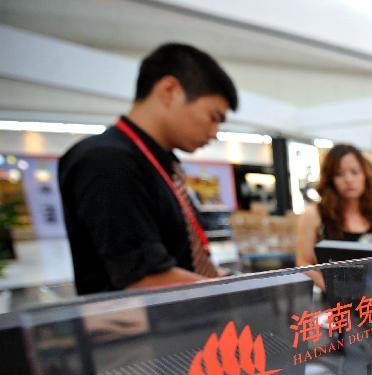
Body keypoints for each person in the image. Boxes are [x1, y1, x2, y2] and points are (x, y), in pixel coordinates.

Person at [59, 43, 238, 295]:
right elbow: (144, 278)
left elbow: (180, 257)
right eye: (213, 116)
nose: (214, 133)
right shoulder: (107, 161)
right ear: (170, 91)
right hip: (140, 330)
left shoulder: (161, 163)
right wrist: (238, 291)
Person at [295, 144, 372, 269]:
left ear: (365, 175)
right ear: (331, 179)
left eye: (354, 172)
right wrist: (331, 287)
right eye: (339, 174)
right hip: (331, 287)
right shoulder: (315, 214)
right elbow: (303, 261)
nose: (348, 179)